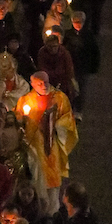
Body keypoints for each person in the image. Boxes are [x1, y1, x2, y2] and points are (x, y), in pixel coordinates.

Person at [15, 71, 78, 214]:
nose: (43, 86)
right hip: (34, 146)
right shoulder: (25, 100)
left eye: (46, 82)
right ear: (32, 84)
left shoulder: (59, 98)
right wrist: (22, 120)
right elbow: (17, 120)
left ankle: (53, 213)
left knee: (53, 184)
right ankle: (38, 211)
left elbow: (68, 119)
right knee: (37, 180)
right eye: (39, 83)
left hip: (51, 146)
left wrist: (55, 125)